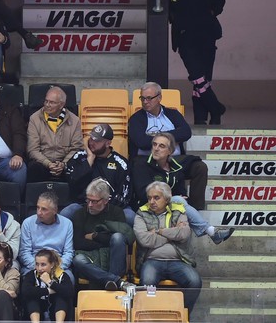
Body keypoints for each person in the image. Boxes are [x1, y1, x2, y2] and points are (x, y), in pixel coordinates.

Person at [132, 133, 233, 244]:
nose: (156, 149)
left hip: (170, 207)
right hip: (148, 206)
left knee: (180, 201)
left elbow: (181, 192)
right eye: (154, 145)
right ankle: (211, 231)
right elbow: (142, 193)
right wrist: (169, 196)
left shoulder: (175, 167)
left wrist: (175, 197)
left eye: (161, 146)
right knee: (178, 200)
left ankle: (209, 232)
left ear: (170, 151)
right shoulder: (141, 165)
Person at [168, 0, 227, 125]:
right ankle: (216, 107)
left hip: (206, 33)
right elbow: (171, 7)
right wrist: (178, 21)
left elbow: (219, 0)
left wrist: (209, 15)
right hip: (185, 35)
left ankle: (204, 118)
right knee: (197, 75)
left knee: (202, 80)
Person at [134, 182, 202, 313]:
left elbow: (184, 234)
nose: (151, 201)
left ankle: (182, 315)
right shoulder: (141, 213)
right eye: (149, 198)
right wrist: (172, 233)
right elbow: (145, 240)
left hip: (177, 260)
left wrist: (159, 231)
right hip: (152, 261)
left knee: (195, 281)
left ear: (166, 199)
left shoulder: (178, 210)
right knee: (147, 282)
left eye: (156, 197)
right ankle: (149, 318)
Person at [71, 179, 134, 291]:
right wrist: (105, 241)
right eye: (88, 200)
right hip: (90, 259)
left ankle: (112, 280)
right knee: (77, 259)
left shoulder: (117, 212)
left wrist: (95, 236)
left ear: (105, 200)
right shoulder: (80, 214)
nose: (90, 205)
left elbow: (122, 240)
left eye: (94, 201)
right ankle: (116, 282)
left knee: (118, 237)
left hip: (112, 260)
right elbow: (78, 243)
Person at [63, 124, 134, 224]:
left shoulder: (121, 164)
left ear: (108, 143)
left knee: (130, 216)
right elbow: (72, 181)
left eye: (97, 141)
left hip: (111, 208)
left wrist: (102, 208)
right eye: (91, 138)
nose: (92, 143)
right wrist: (89, 160)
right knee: (66, 213)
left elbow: (124, 196)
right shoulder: (80, 156)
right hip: (85, 205)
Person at [26, 86, 83, 182]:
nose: (47, 105)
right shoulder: (34, 119)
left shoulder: (75, 121)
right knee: (34, 168)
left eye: (52, 102)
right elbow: (33, 149)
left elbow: (76, 148)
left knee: (80, 167)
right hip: (43, 163)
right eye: (46, 101)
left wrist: (63, 164)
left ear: (61, 105)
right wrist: (48, 164)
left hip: (65, 162)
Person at [19, 192, 75, 282]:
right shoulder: (28, 223)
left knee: (69, 279)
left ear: (55, 210)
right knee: (27, 280)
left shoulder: (67, 224)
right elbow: (24, 253)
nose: (39, 212)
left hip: (57, 265)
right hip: (34, 265)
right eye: (38, 207)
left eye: (44, 209)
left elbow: (68, 253)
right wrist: (40, 267)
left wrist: (53, 269)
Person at [128, 81, 193, 158]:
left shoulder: (173, 114)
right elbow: (142, 143)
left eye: (149, 98)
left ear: (159, 98)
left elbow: (186, 132)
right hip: (147, 160)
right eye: (142, 98)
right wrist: (171, 138)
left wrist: (154, 136)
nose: (145, 102)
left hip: (175, 158)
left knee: (198, 166)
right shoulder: (135, 119)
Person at [20, 248, 74, 323]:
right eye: (37, 264)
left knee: (62, 297)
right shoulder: (32, 274)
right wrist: (48, 291)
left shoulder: (61, 275)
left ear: (52, 264)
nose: (39, 268)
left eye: (43, 265)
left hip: (55, 311)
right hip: (38, 311)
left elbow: (69, 292)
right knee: (31, 297)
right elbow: (25, 291)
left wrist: (50, 282)